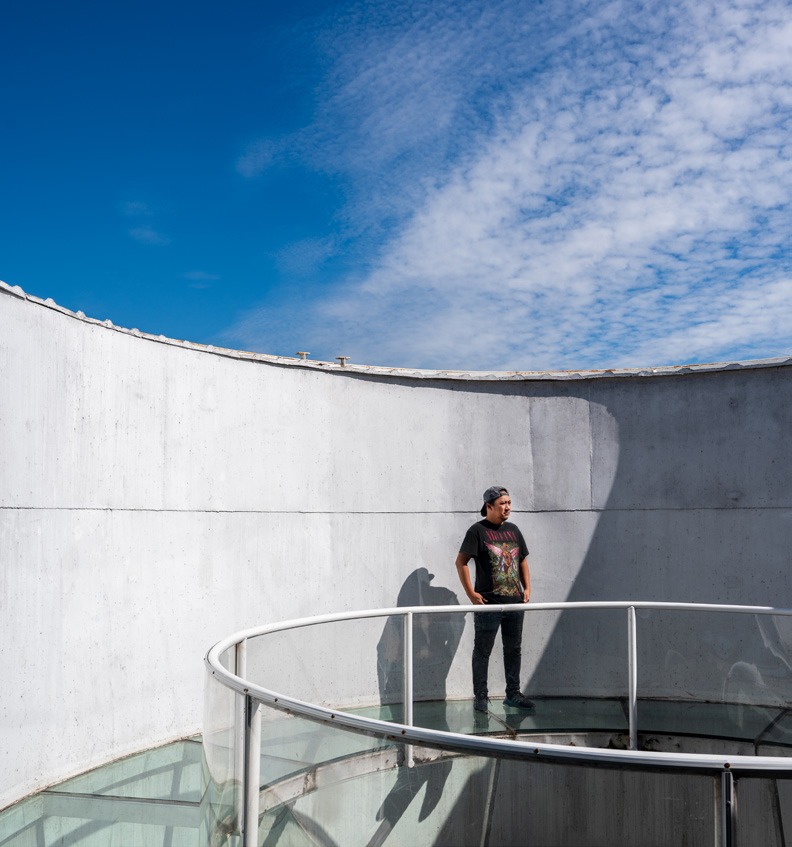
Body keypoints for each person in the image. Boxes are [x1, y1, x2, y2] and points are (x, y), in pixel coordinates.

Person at [455, 486, 534, 713]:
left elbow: (522, 560)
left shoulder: (514, 530)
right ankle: (480, 697)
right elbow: (461, 562)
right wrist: (471, 593)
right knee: (482, 650)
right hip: (488, 604)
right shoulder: (477, 531)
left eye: (509, 502)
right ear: (489, 506)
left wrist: (527, 587)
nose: (507, 507)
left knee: (513, 649)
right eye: (502, 503)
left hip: (514, 603)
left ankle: (513, 694)